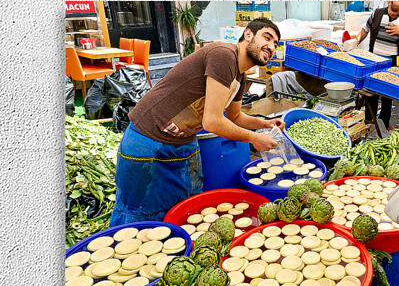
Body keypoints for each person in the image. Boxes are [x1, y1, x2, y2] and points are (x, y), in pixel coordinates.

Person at [110, 18, 284, 225]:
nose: (271, 46)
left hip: (183, 143)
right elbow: (212, 122)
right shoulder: (223, 54)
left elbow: (236, 117)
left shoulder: (240, 76)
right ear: (248, 35)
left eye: (275, 43)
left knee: (187, 212)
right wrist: (254, 139)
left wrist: (265, 124)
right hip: (149, 142)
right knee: (138, 216)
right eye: (267, 37)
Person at [352, 1, 399, 127]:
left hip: (393, 63)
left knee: (387, 96)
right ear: (389, 1)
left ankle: (383, 124)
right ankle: (369, 123)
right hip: (374, 61)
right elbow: (365, 30)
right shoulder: (377, 13)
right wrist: (356, 40)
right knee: (370, 93)